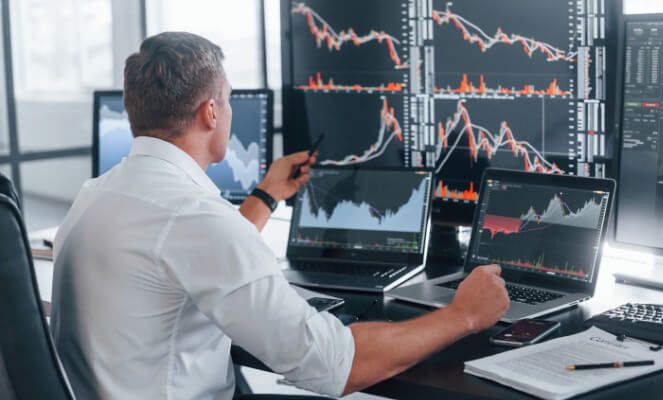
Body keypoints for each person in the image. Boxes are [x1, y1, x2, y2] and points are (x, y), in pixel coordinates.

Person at [50, 32, 509, 399]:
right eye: (226, 99)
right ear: (211, 111)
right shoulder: (195, 217)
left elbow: (187, 257)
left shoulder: (97, 194)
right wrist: (464, 315)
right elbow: (334, 365)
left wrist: (268, 195)